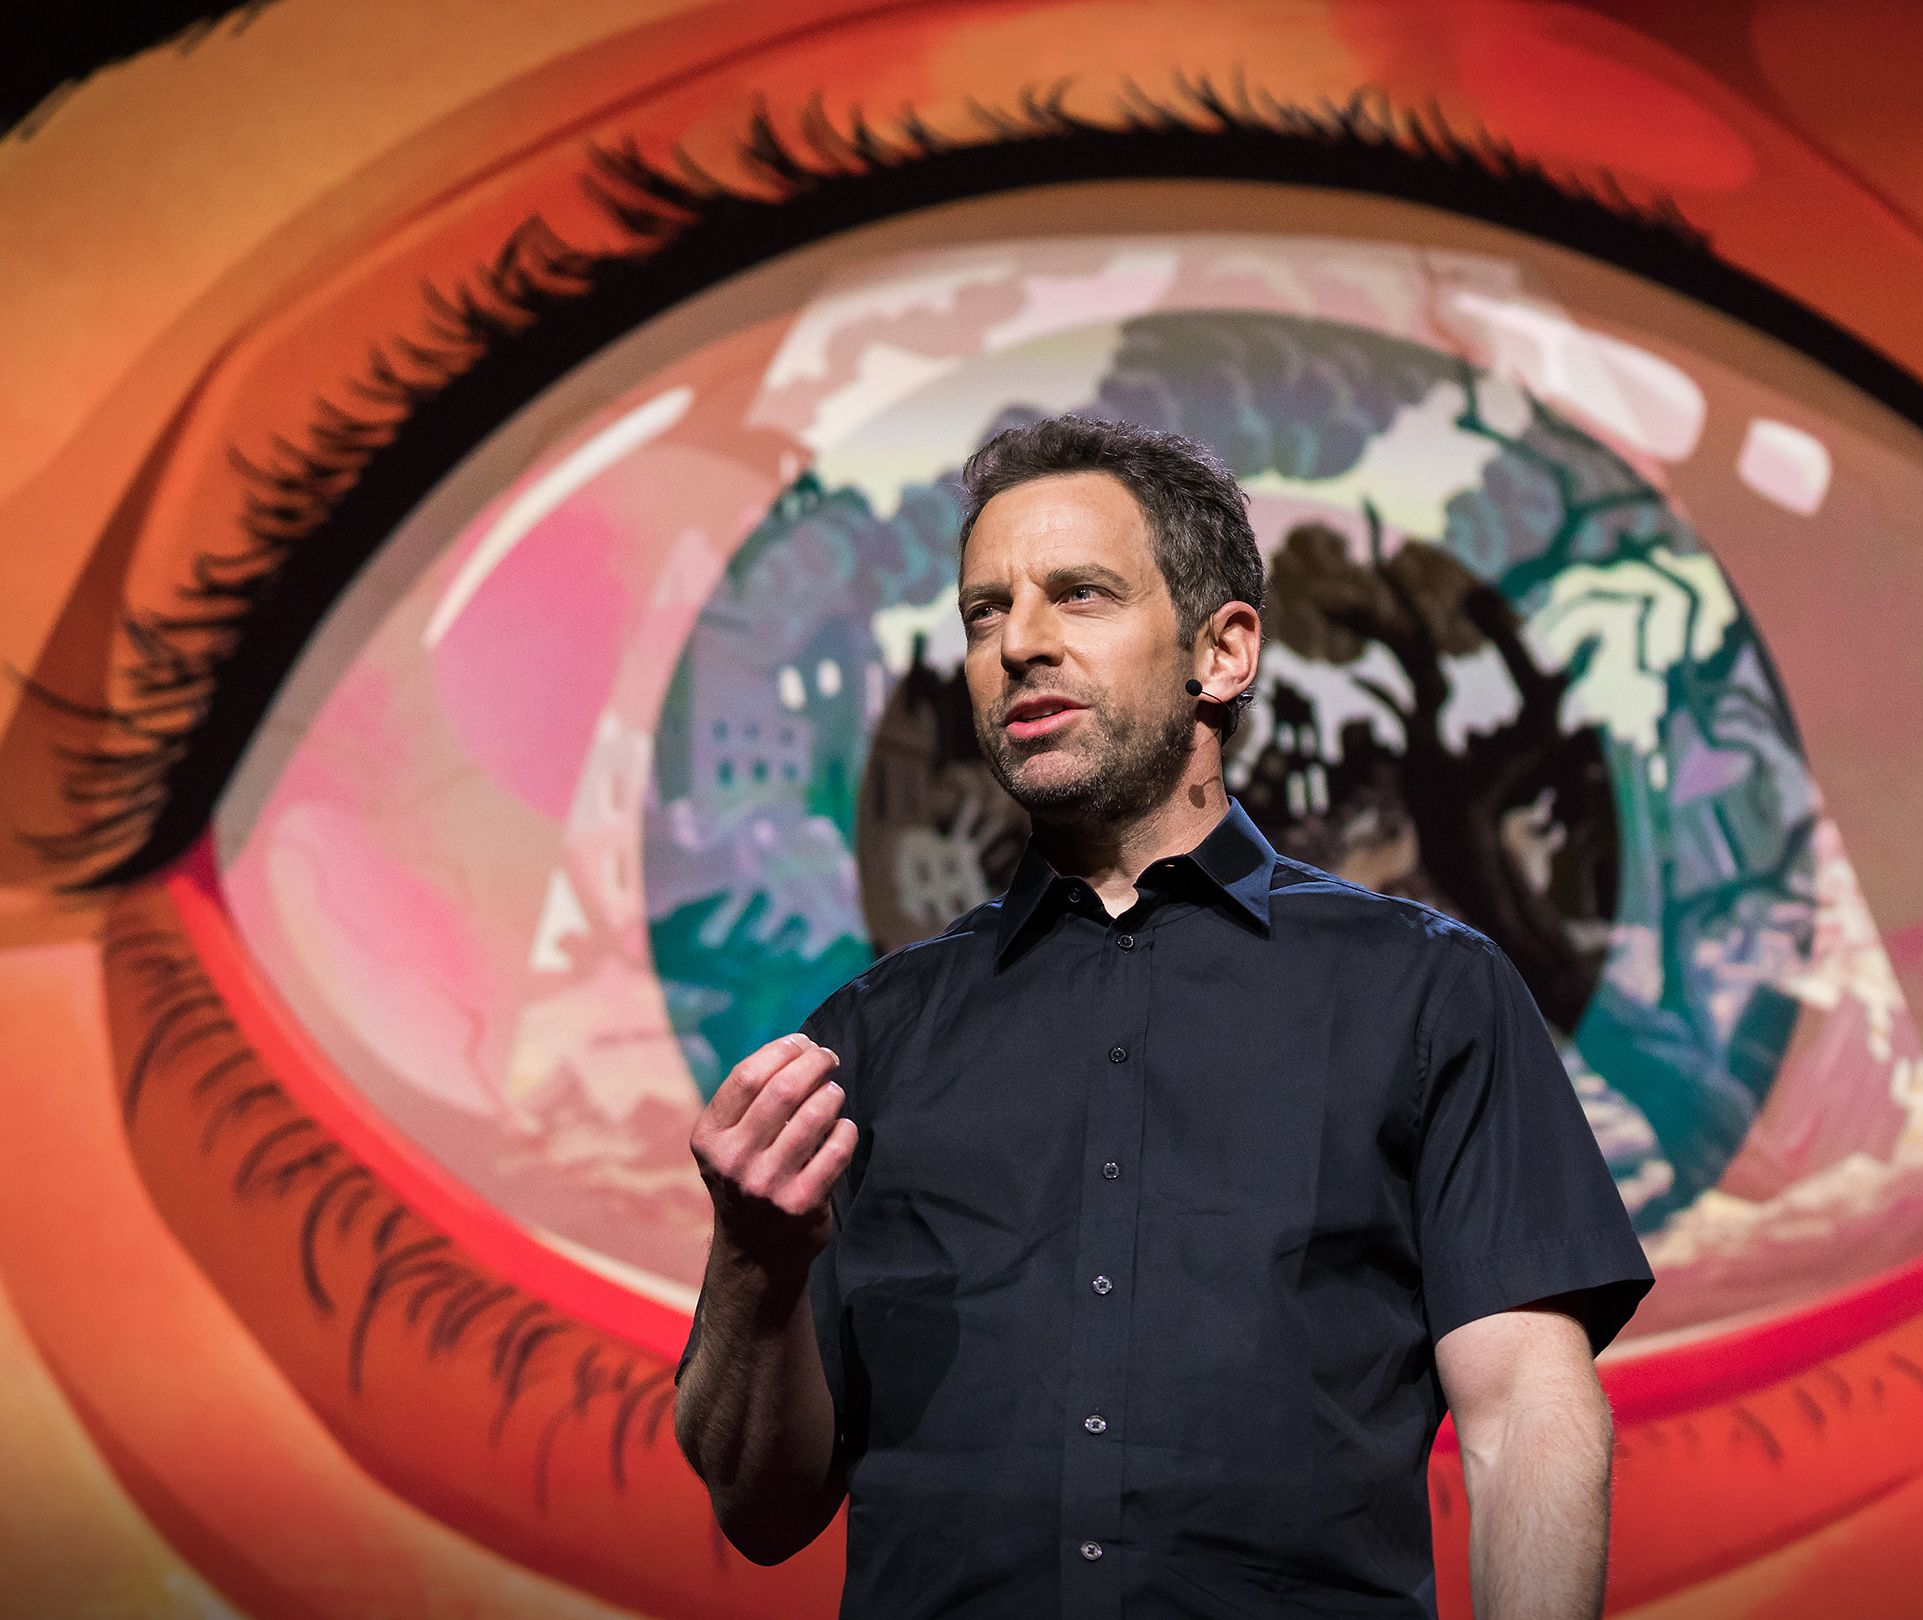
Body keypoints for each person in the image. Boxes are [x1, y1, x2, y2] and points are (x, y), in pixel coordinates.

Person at [671, 415, 1653, 1618]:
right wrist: (755, 1266)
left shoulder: (1427, 991)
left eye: (1079, 595)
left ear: (1223, 652)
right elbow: (761, 1510)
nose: (1019, 643)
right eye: (985, 611)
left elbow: (1525, 1418)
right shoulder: (867, 1038)